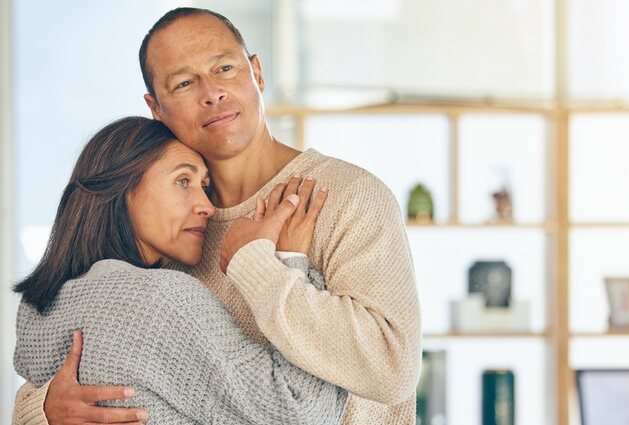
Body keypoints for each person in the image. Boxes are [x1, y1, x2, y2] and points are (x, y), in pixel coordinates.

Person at [14, 7, 421, 425]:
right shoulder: (169, 228)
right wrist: (42, 410)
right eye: (185, 82)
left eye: (225, 68)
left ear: (257, 73)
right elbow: (90, 349)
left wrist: (260, 268)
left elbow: (392, 370)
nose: (212, 93)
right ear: (156, 108)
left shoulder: (347, 197)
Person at [13, 116, 346, 424]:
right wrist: (289, 264)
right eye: (182, 181)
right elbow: (301, 411)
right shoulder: (159, 300)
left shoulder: (40, 309)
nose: (207, 207)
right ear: (123, 189)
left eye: (204, 185)